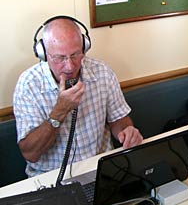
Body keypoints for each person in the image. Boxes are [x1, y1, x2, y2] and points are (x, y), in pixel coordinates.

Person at [13, 16, 143, 177]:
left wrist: (126, 132)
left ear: (85, 46)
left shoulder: (102, 72)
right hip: (52, 178)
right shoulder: (28, 85)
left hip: (101, 170)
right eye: (60, 58)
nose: (69, 66)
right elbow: (30, 154)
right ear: (43, 54)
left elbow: (118, 120)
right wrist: (59, 111)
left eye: (75, 55)